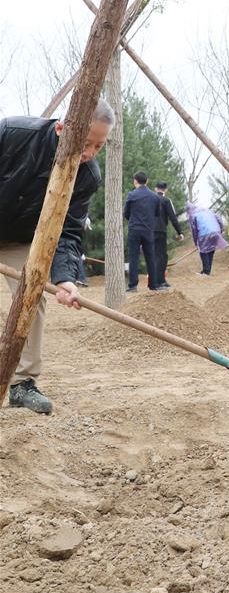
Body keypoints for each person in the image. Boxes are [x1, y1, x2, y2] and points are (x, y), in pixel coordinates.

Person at [0, 100, 113, 413]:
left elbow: (69, 231)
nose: (90, 153)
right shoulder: (12, 133)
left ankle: (22, 383)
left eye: (99, 146)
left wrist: (64, 278)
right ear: (63, 128)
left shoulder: (87, 175)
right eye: (86, 142)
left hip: (24, 239)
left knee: (32, 296)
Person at [123, 171, 163, 292]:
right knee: (150, 257)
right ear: (147, 181)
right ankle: (153, 285)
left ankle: (133, 285)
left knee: (133, 257)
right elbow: (157, 213)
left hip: (134, 229)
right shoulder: (155, 196)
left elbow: (126, 214)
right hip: (148, 230)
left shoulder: (131, 195)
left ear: (135, 181)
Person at [152, 181, 184, 288]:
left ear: (155, 188)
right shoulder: (166, 200)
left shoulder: (150, 199)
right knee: (162, 256)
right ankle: (160, 281)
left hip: (149, 230)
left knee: (155, 255)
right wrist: (179, 232)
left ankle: (157, 280)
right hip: (161, 230)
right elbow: (173, 218)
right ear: (166, 190)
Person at [186, 202, 228, 275]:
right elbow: (218, 219)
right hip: (215, 231)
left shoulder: (193, 215)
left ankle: (206, 271)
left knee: (203, 251)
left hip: (204, 233)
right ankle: (208, 270)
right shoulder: (207, 210)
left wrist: (196, 241)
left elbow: (194, 229)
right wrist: (220, 230)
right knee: (211, 249)